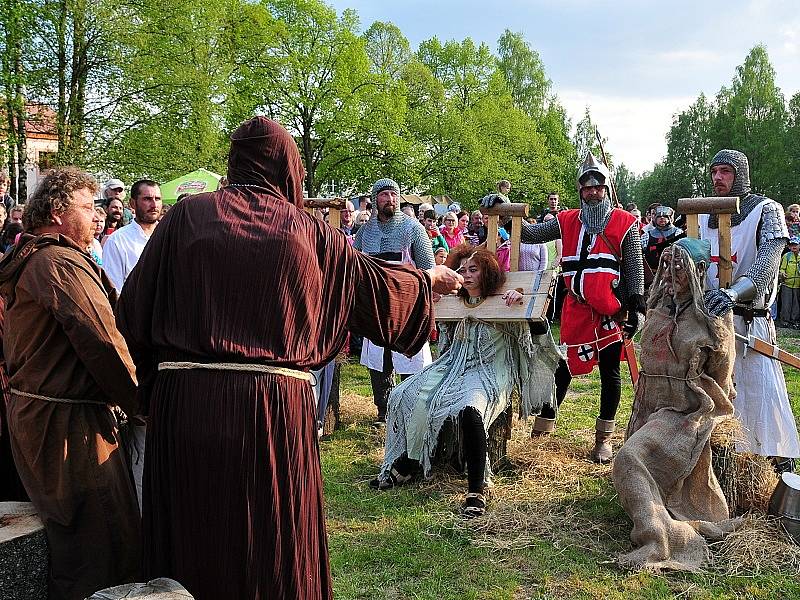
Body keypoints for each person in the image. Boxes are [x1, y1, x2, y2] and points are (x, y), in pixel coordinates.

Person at [116, 117, 462, 600]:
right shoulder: (307, 232)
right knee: (269, 543)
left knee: (193, 539)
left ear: (234, 165)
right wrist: (429, 282)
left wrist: (149, 391)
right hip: (269, 415)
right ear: (288, 168)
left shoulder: (184, 218)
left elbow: (131, 312)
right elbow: (375, 292)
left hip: (186, 409)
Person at [0, 167, 140, 600]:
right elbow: (102, 340)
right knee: (96, 539)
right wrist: (141, 401)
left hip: (50, 413)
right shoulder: (56, 262)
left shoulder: (38, 256)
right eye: (87, 206)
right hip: (67, 425)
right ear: (57, 212)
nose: (97, 215)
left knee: (83, 534)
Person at [371, 246, 560, 517]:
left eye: (474, 270)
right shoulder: (455, 302)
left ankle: (477, 487)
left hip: (491, 370)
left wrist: (521, 301)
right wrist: (433, 303)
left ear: (488, 273)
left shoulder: (506, 301)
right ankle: (409, 460)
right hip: (453, 366)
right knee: (406, 393)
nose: (466, 275)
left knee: (470, 409)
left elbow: (536, 336)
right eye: (462, 270)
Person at [614, 238, 739, 571]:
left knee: (628, 459)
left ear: (700, 270)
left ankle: (660, 541)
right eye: (667, 263)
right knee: (639, 471)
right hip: (650, 405)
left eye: (679, 264)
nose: (669, 271)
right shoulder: (659, 303)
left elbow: (721, 371)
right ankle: (664, 520)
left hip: (684, 412)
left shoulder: (712, 313)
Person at [519, 151, 645, 463]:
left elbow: (634, 268)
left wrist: (637, 307)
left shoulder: (624, 223)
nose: (591, 191)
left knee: (610, 372)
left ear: (606, 188)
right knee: (563, 368)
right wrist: (508, 211)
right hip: (575, 309)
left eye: (597, 186)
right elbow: (531, 235)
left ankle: (603, 439)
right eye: (586, 187)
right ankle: (542, 430)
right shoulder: (566, 220)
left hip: (609, 311)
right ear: (580, 190)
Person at [701, 149, 800, 472]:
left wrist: (732, 292)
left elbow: (768, 263)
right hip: (710, 324)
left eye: (725, 171)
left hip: (748, 322)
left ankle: (774, 464)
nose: (718, 178)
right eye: (715, 171)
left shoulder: (765, 209)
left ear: (740, 174)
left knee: (760, 394)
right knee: (713, 394)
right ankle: (719, 465)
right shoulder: (702, 214)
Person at [354, 177, 436, 425]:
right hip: (376, 304)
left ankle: (410, 409)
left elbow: (428, 269)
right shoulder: (364, 233)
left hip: (406, 303)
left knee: (409, 355)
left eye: (393, 195)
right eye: (384, 195)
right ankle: (384, 409)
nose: (389, 199)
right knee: (379, 358)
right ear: (375, 199)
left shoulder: (412, 229)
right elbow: (356, 266)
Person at [102, 179, 162, 292]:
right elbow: (113, 290)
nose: (154, 205)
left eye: (157, 199)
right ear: (133, 203)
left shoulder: (170, 236)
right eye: (147, 199)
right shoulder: (117, 241)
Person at [641, 205, 684, 276]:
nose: (662, 218)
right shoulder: (646, 236)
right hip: (653, 274)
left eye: (665, 216)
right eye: (659, 217)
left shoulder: (678, 233)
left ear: (669, 218)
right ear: (655, 219)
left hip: (673, 273)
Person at [778, 237, 800, 328]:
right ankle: (784, 321)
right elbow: (782, 268)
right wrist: (782, 274)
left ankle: (795, 321)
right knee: (786, 304)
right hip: (787, 284)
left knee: (796, 305)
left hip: (798, 285)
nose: (793, 247)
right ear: (789, 247)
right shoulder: (786, 256)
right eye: (792, 245)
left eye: (795, 245)